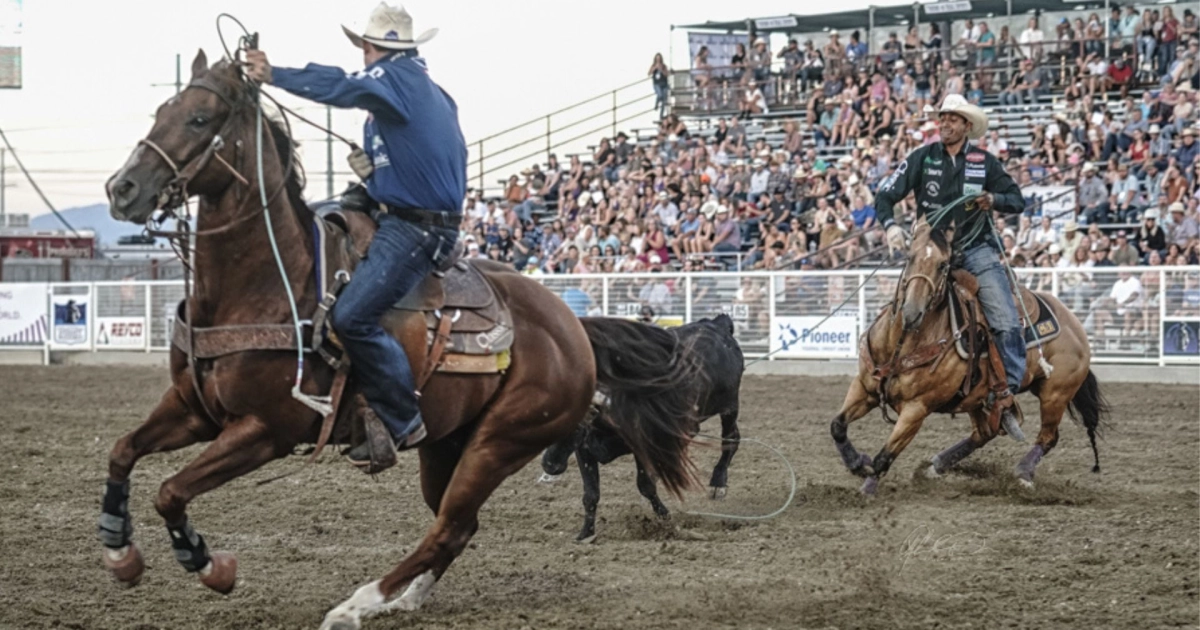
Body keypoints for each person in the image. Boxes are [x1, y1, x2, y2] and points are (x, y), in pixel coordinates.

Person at [246, 3, 466, 470]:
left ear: (371, 48)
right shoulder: (433, 93)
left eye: (363, 49)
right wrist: (378, 178)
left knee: (352, 316)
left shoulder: (393, 80)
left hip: (414, 227)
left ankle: (403, 418)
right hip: (416, 216)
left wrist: (274, 74)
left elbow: (344, 86)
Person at [874, 94, 1027, 442]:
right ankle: (882, 370)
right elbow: (885, 195)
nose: (945, 123)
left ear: (967, 126)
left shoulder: (984, 162)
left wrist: (994, 200)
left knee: (1003, 317)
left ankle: (1005, 393)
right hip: (930, 252)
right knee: (905, 308)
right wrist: (890, 225)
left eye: (953, 119)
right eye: (942, 118)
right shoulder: (922, 158)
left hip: (975, 251)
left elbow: (1017, 200)